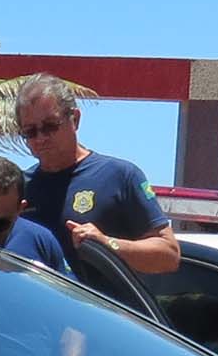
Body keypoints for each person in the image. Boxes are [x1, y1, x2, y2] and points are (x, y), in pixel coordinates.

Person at [14, 75, 179, 273]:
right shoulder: (20, 188)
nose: (41, 138)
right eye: (30, 132)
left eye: (50, 126)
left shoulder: (120, 176)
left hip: (103, 303)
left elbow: (169, 255)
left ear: (75, 119)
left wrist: (108, 244)